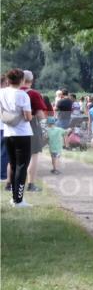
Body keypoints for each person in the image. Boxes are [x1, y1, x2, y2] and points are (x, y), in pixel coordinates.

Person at [1, 69, 34, 207]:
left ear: (8, 80)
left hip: (8, 132)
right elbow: (28, 117)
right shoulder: (22, 95)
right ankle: (19, 200)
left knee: (14, 165)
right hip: (22, 134)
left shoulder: (2, 92)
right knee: (22, 166)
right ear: (21, 80)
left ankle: (14, 197)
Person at [21, 70, 46, 192]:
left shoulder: (10, 93)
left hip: (12, 128)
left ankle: (13, 184)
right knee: (33, 155)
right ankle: (31, 184)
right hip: (31, 126)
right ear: (31, 80)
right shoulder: (34, 94)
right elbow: (41, 115)